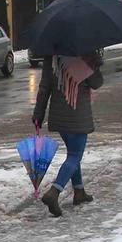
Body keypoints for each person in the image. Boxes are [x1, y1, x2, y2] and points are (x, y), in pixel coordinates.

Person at [33, 52, 103, 217]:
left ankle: (79, 192)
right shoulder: (86, 56)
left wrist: (38, 113)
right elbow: (96, 83)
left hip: (59, 116)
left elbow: (44, 87)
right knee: (74, 156)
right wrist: (96, 64)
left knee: (72, 152)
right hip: (78, 116)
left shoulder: (52, 57)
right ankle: (54, 192)